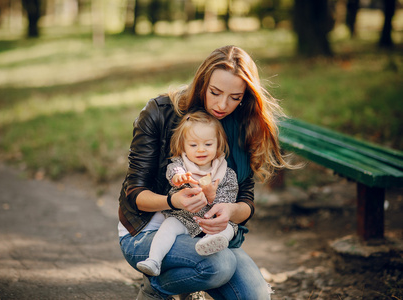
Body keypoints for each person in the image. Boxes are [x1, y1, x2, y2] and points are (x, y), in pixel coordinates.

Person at [118, 45, 290, 300]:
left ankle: (182, 281)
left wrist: (231, 211)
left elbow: (246, 200)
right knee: (218, 266)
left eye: (235, 97)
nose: (223, 104)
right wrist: (172, 200)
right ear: (202, 84)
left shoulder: (242, 124)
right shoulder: (159, 112)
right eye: (215, 92)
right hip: (147, 231)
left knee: (256, 296)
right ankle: (156, 289)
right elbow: (134, 193)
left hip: (204, 233)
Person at [136, 111, 239, 277]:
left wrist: (212, 196)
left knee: (229, 228)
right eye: (193, 145)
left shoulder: (226, 173)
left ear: (218, 145)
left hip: (213, 223)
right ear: (183, 146)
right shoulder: (181, 166)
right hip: (185, 218)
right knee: (168, 226)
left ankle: (210, 242)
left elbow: (229, 199)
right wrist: (178, 178)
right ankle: (154, 260)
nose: (201, 150)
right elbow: (173, 172)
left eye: (208, 144)